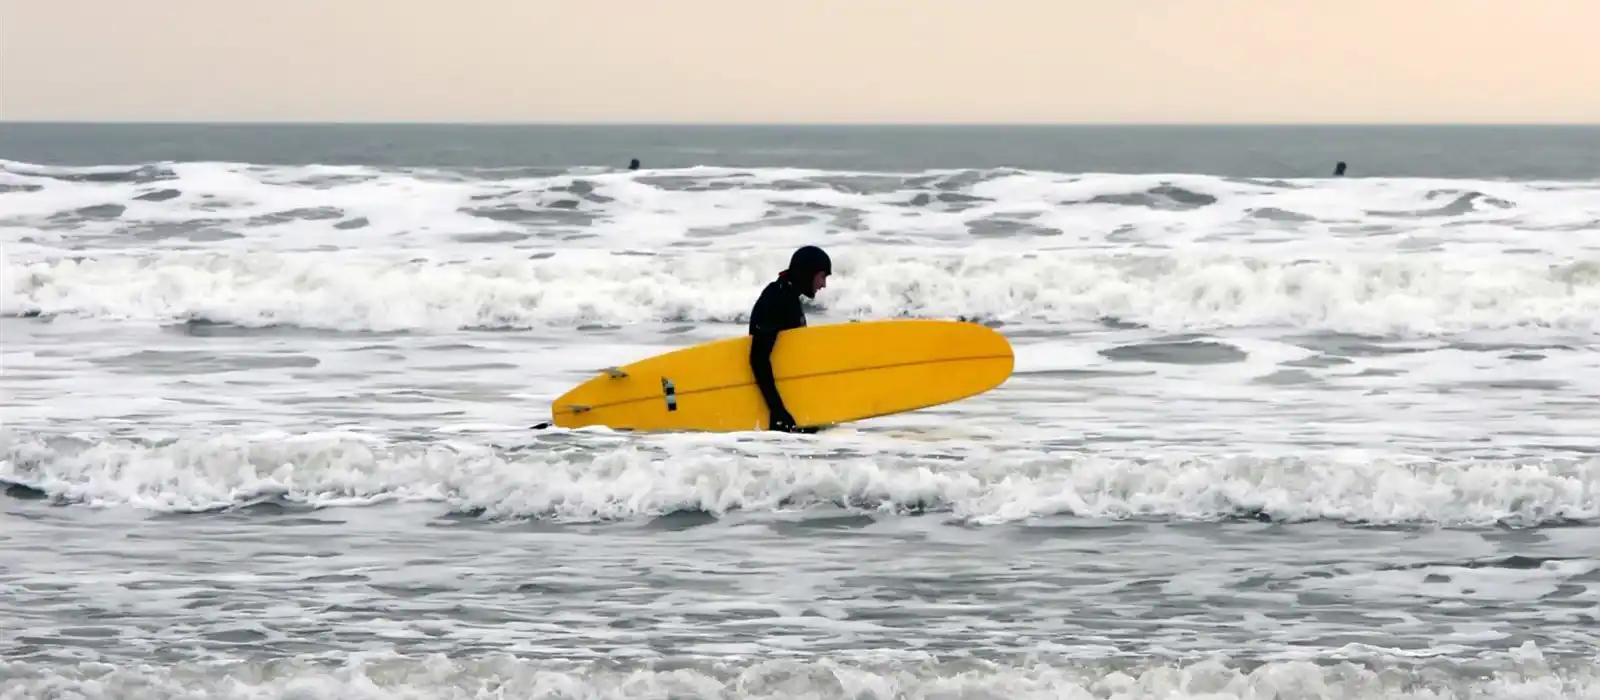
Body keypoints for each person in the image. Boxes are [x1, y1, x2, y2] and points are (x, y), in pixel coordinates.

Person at [748, 245, 831, 433]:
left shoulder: (788, 295)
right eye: (822, 276)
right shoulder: (776, 299)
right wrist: (777, 411)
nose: (823, 284)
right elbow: (758, 359)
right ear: (808, 273)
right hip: (780, 411)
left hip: (791, 405)